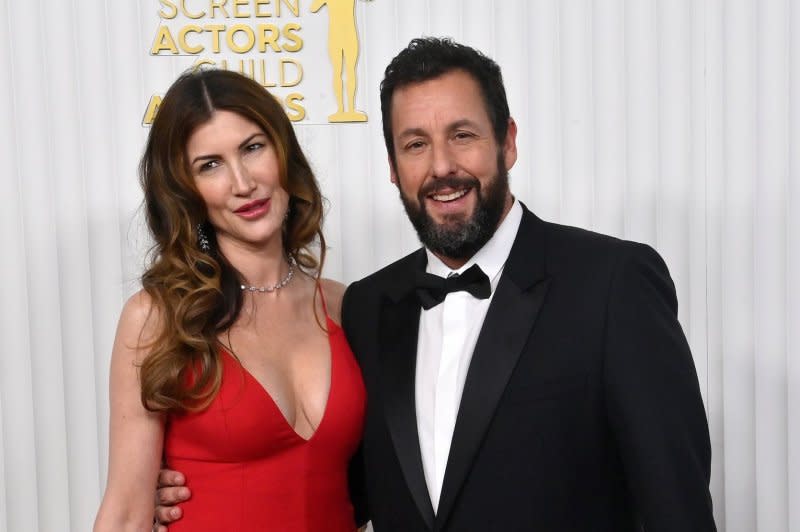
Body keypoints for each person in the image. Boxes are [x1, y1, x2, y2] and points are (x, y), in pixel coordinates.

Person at [155, 38, 717, 531]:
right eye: (416, 144)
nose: (441, 166)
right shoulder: (369, 307)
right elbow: (338, 483)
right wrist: (203, 494)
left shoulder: (612, 283)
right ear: (394, 167)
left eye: (463, 134)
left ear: (508, 141)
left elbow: (678, 506)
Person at [93, 68, 367, 532]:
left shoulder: (344, 306)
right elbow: (124, 515)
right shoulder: (158, 317)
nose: (243, 183)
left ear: (283, 152)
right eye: (210, 165)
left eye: (252, 147)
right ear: (188, 192)